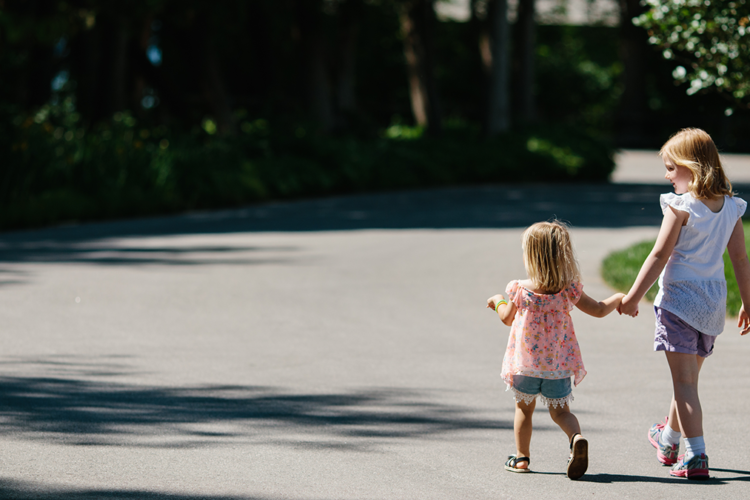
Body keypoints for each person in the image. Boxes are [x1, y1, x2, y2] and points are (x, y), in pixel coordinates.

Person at [619, 128, 750, 480]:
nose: (666, 175)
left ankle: (695, 455)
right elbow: (740, 259)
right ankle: (668, 439)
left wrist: (632, 296)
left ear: (691, 167)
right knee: (687, 381)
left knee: (685, 384)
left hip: (678, 300)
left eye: (671, 167)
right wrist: (748, 303)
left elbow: (659, 254)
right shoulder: (731, 206)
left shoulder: (680, 206)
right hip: (711, 302)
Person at [487, 221, 624, 480]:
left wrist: (497, 300)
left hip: (526, 365)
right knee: (561, 412)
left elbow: (506, 317)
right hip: (558, 367)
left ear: (531, 256)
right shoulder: (568, 289)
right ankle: (576, 438)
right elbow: (597, 309)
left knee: (523, 411)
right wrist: (616, 298)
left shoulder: (519, 289)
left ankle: (521, 458)